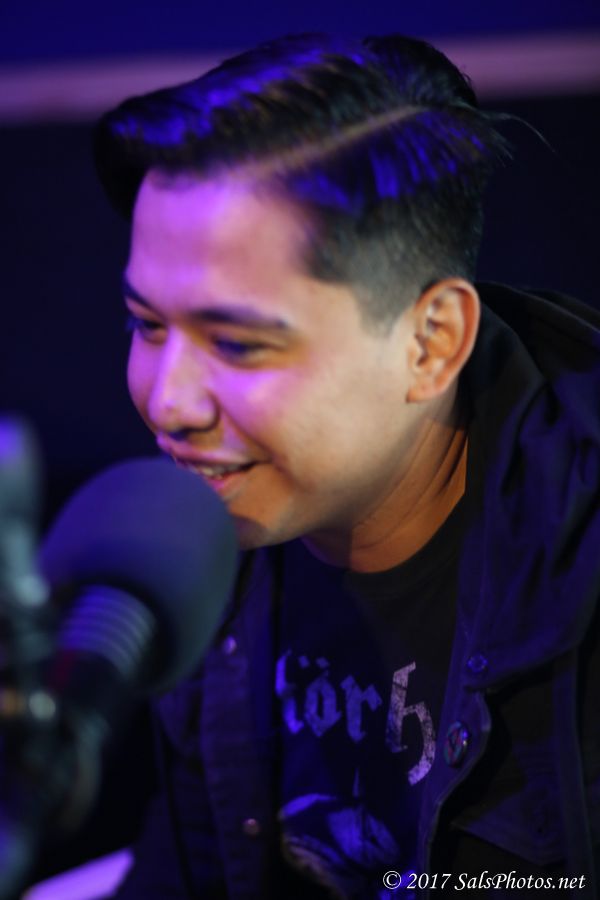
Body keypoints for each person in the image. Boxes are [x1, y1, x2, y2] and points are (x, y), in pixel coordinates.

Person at [93, 33, 600, 898]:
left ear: (430, 344)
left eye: (237, 344)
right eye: (147, 326)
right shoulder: (200, 545)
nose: (168, 402)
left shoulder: (578, 556)